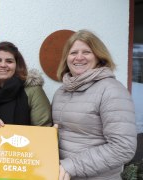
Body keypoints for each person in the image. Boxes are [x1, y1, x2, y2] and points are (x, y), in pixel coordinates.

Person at [52, 29, 137, 180]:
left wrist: (71, 166)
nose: (79, 57)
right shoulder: (61, 91)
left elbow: (123, 147)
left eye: (86, 52)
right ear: (66, 58)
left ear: (98, 56)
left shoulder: (111, 90)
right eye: (73, 53)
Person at [0, 41, 52, 127]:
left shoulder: (33, 92)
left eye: (9, 61)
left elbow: (43, 130)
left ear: (17, 65)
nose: (3, 65)